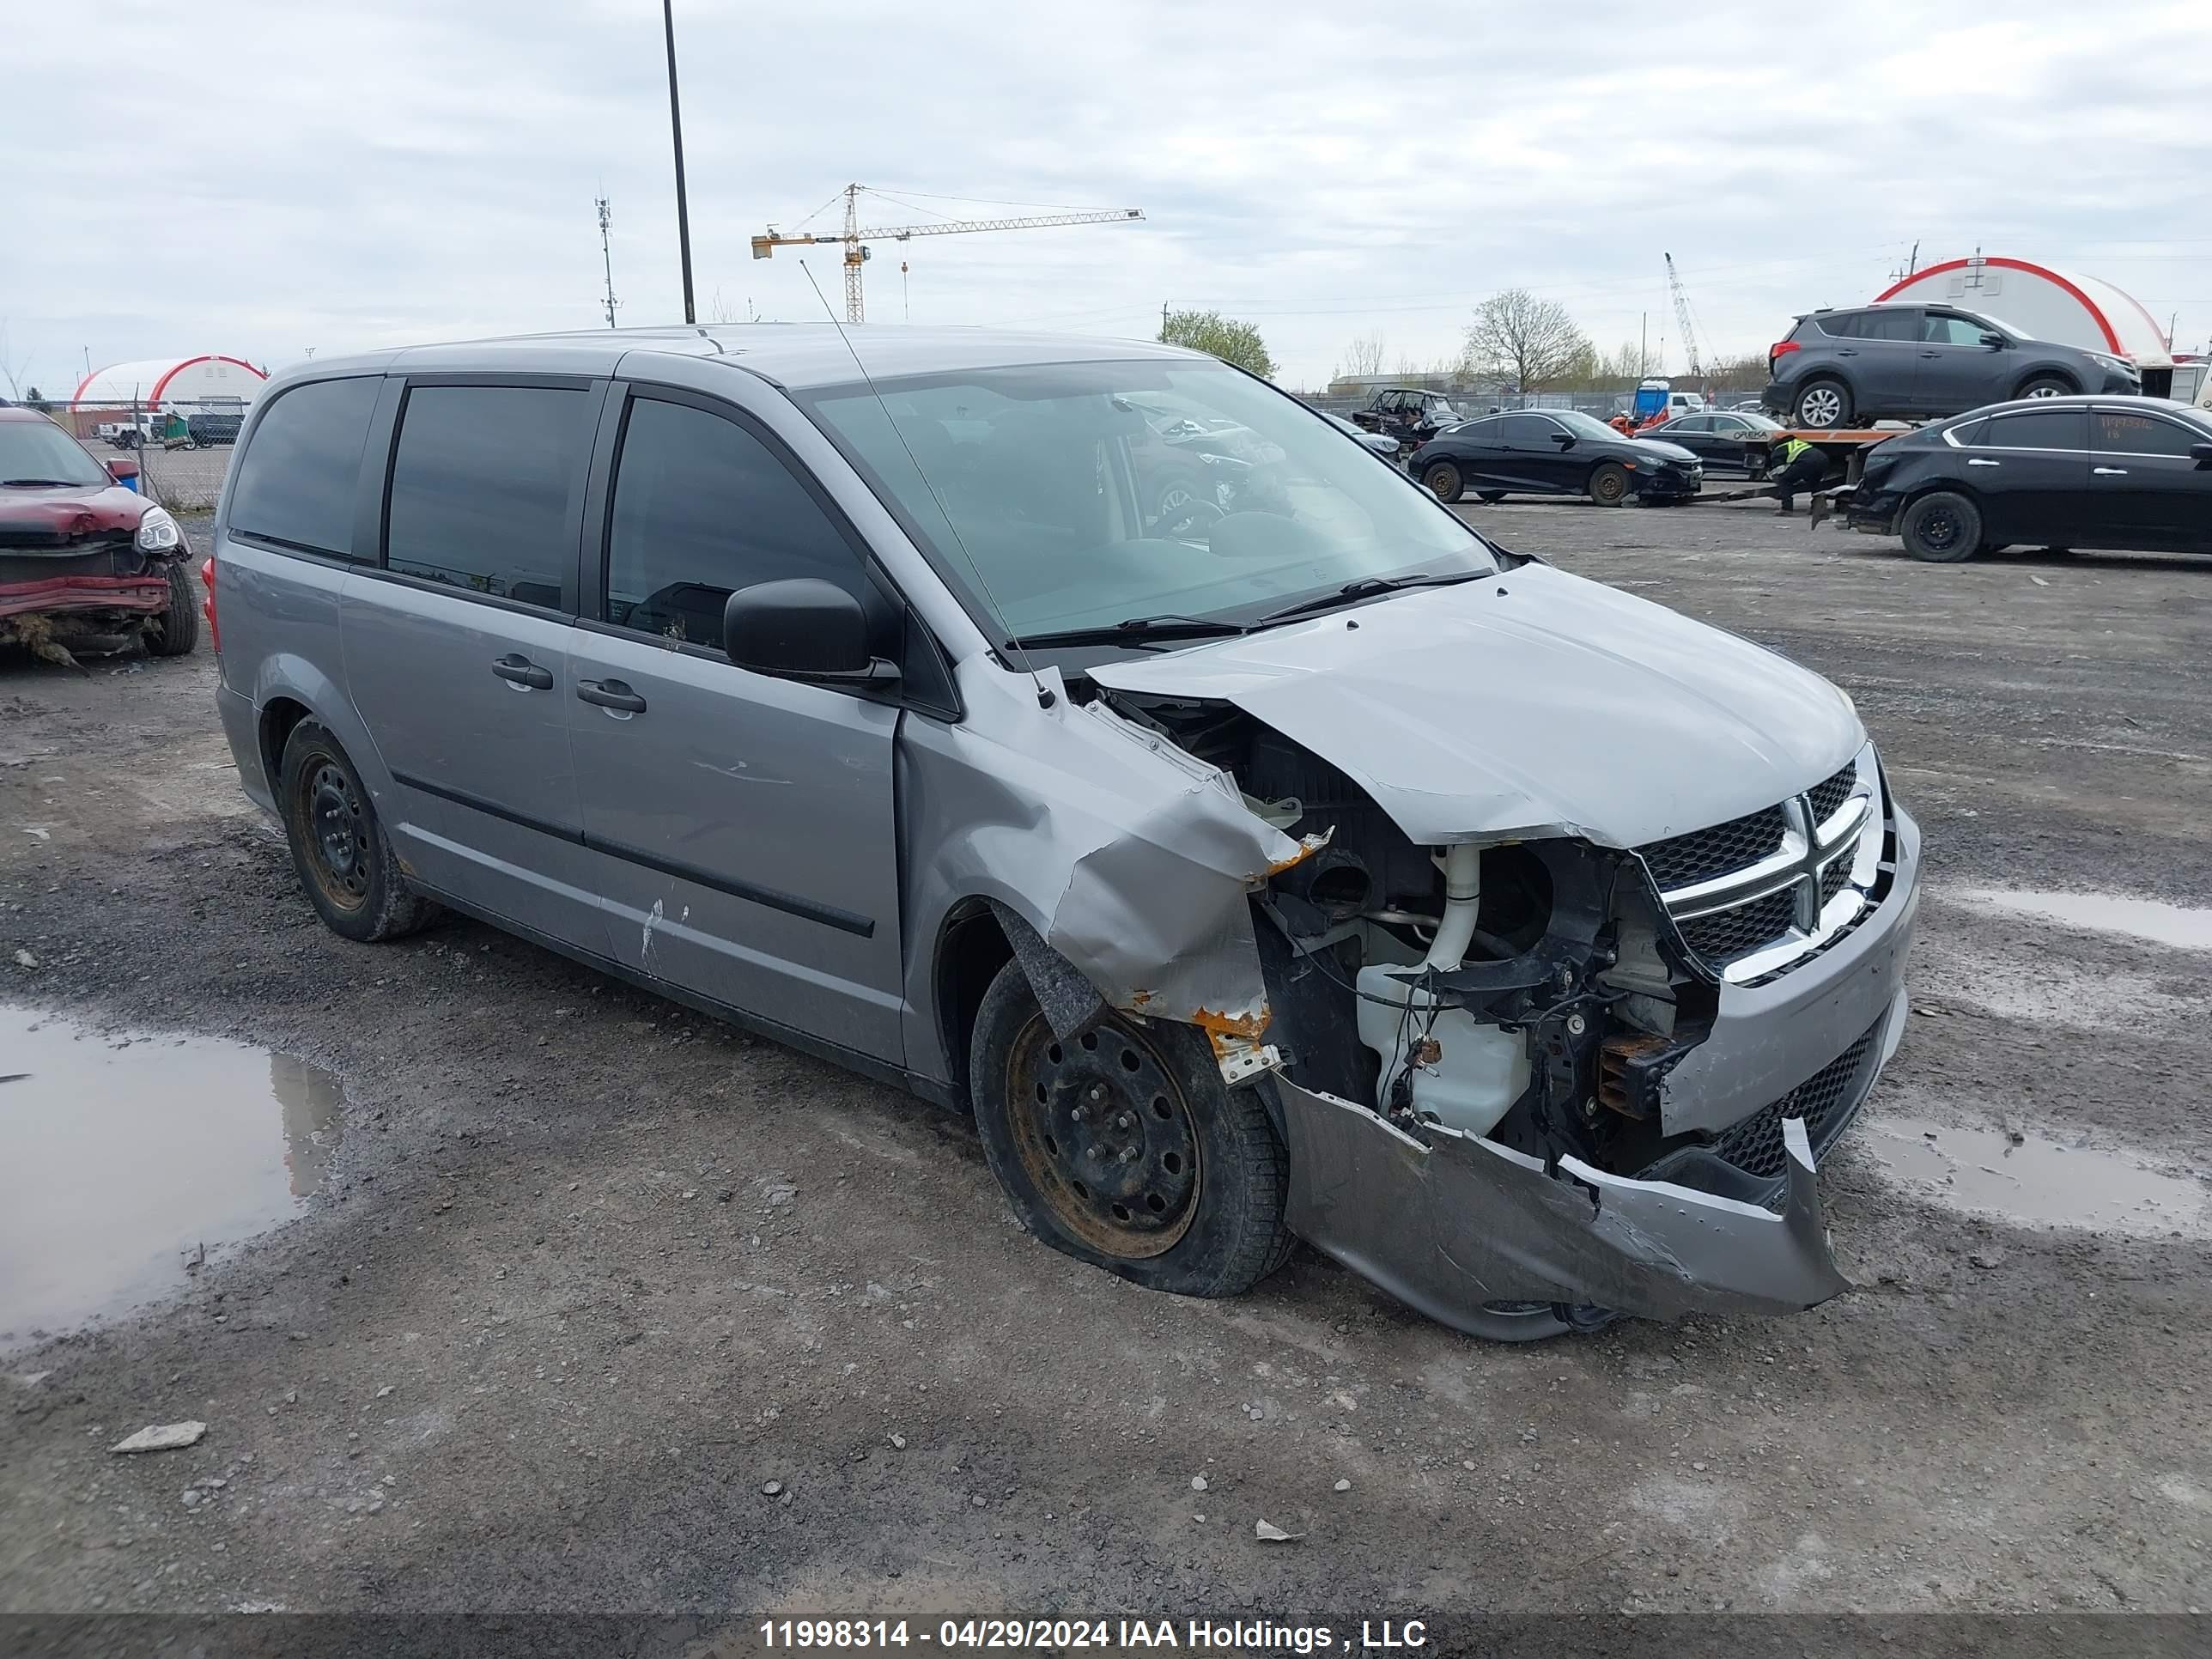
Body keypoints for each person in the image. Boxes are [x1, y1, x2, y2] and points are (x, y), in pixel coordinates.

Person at [1767, 436, 1828, 514]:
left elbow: (1781, 471)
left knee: (1784, 480)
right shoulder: (1795, 442)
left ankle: (1786, 509)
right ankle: (1819, 507)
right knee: (1815, 482)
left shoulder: (1777, 451)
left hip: (1807, 461)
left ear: (1771, 447)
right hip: (1822, 458)